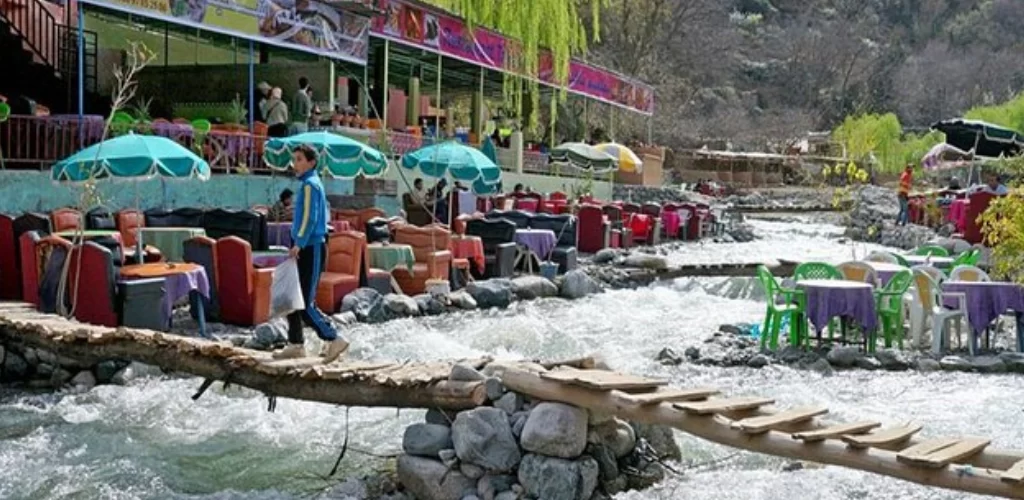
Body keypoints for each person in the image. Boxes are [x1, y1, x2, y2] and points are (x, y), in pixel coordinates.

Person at [272, 144, 349, 361]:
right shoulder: (310, 184)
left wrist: (300, 243)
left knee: (305, 302)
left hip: (310, 247)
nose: (294, 163)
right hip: (304, 246)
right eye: (294, 159)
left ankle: (333, 338)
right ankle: (296, 343)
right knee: (292, 298)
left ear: (311, 162)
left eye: (299, 159)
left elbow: (310, 218)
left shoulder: (309, 185)